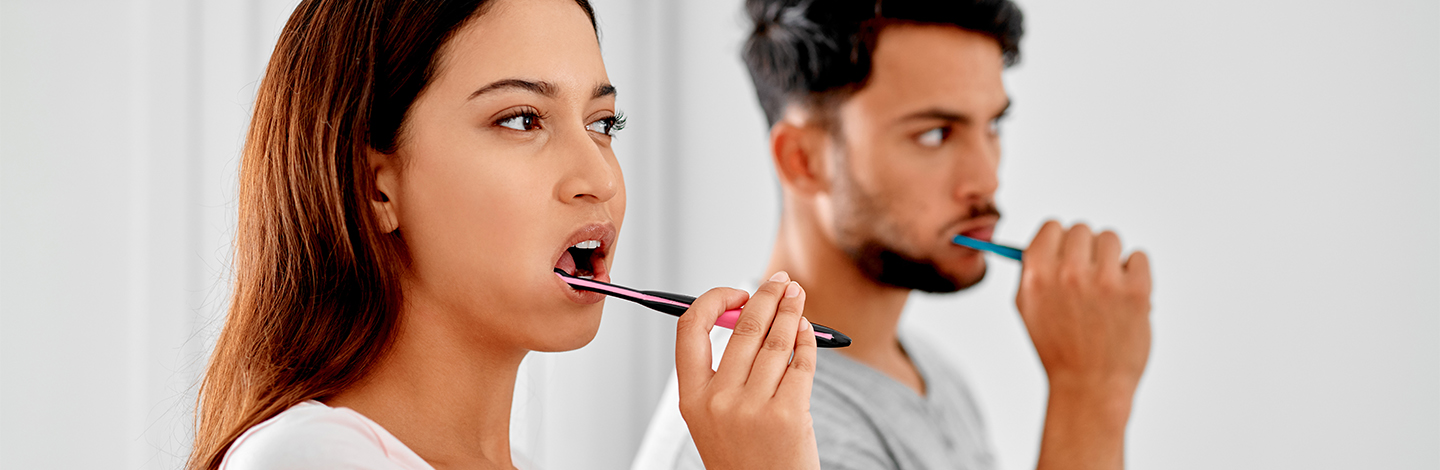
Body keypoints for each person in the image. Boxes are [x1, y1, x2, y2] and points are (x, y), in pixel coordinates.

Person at [187, 1, 823, 469]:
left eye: (604, 122)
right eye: (522, 119)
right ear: (376, 186)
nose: (598, 176)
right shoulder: (312, 460)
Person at [634, 0, 1154, 469]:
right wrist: (1090, 395)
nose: (986, 178)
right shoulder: (768, 431)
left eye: (992, 126)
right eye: (934, 134)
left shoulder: (929, 373)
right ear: (804, 160)